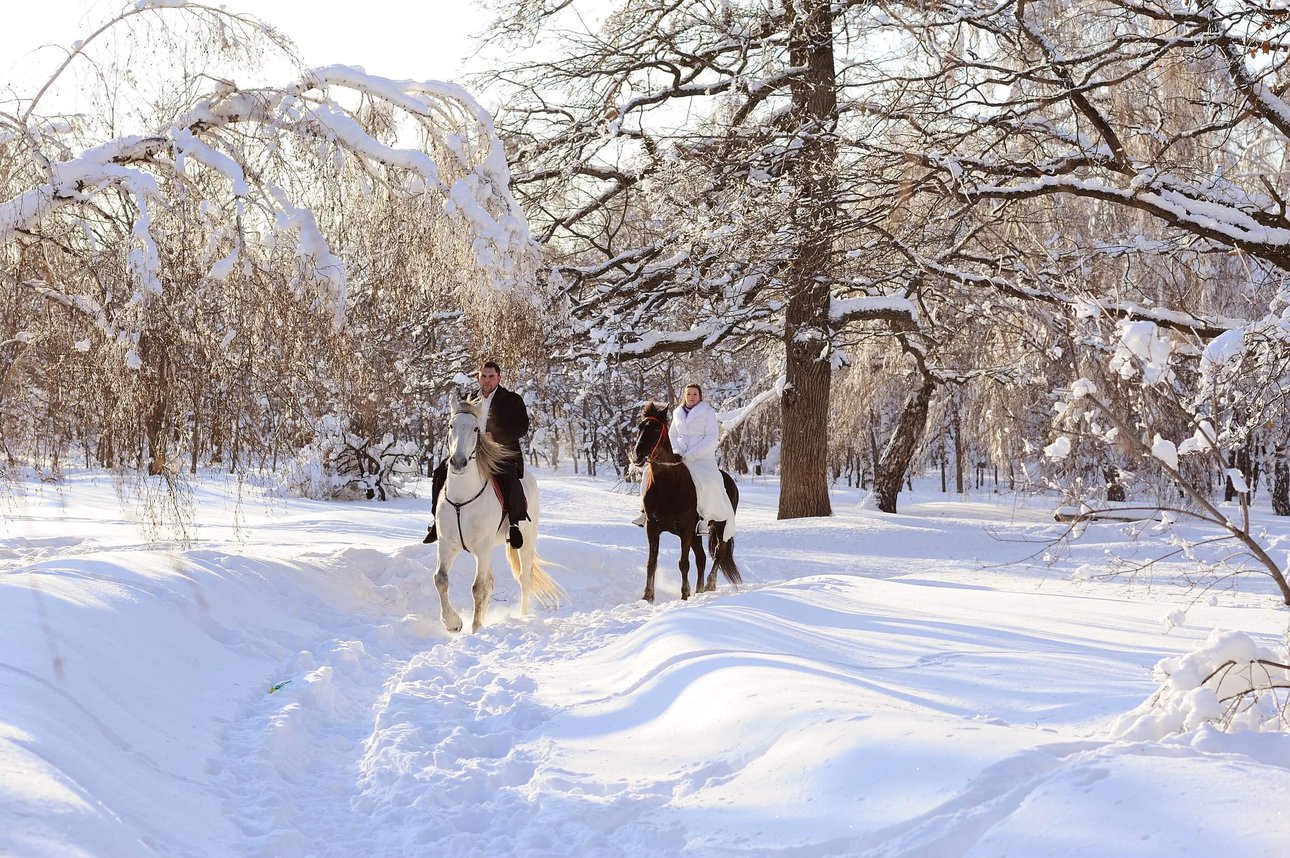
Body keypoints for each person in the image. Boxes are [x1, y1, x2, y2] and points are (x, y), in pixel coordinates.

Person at [424, 360, 531, 549]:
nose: (487, 381)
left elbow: (522, 427)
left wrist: (494, 436)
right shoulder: (468, 398)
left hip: (499, 452)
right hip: (470, 452)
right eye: (484, 376)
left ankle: (514, 524)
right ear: (478, 377)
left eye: (491, 377)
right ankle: (436, 522)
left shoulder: (512, 400)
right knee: (440, 472)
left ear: (499, 377)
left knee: (508, 476)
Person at [635, 383, 735, 538]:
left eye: (695, 394)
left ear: (700, 396)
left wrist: (692, 455)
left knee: (708, 483)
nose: (691, 397)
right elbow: (672, 435)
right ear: (684, 396)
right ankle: (644, 510)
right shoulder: (678, 412)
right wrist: (677, 452)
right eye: (688, 394)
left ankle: (703, 518)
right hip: (679, 455)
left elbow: (710, 439)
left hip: (701, 458)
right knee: (649, 472)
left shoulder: (707, 412)